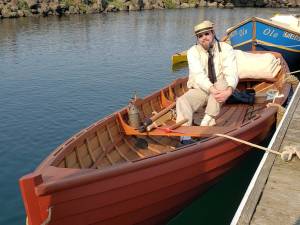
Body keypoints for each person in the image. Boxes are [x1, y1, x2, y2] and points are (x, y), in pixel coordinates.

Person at [176, 20, 238, 145]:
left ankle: (205, 123)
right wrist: (211, 89)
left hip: (220, 87)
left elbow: (231, 72)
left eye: (206, 34)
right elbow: (198, 75)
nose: (204, 38)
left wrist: (229, 90)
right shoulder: (192, 52)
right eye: (200, 36)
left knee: (221, 84)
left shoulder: (226, 49)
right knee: (182, 100)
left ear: (213, 33)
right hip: (201, 89)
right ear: (197, 39)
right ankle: (185, 137)